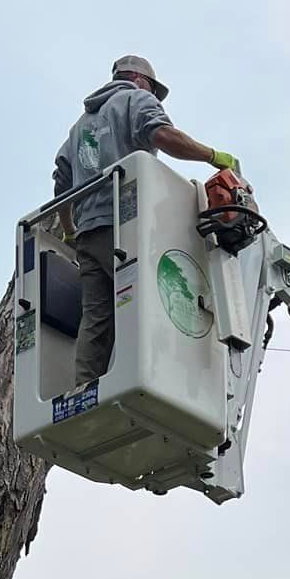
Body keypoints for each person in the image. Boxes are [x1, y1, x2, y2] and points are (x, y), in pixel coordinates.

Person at [53, 56, 239, 386]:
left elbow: (61, 186)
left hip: (89, 235)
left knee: (96, 319)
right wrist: (212, 156)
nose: (153, 96)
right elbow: (163, 136)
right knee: (151, 299)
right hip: (127, 226)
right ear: (142, 81)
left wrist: (70, 231)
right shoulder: (135, 99)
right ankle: (151, 382)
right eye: (153, 89)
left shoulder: (78, 128)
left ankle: (85, 389)